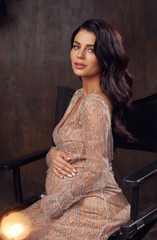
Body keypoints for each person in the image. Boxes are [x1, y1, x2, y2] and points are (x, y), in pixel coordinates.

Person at [4, 19, 133, 240]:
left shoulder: (95, 104)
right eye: (76, 46)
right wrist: (51, 154)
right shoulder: (78, 96)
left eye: (90, 50)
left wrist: (56, 202)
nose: (80, 55)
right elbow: (67, 144)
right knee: (9, 228)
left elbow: (97, 170)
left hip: (93, 206)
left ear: (105, 57)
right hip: (65, 201)